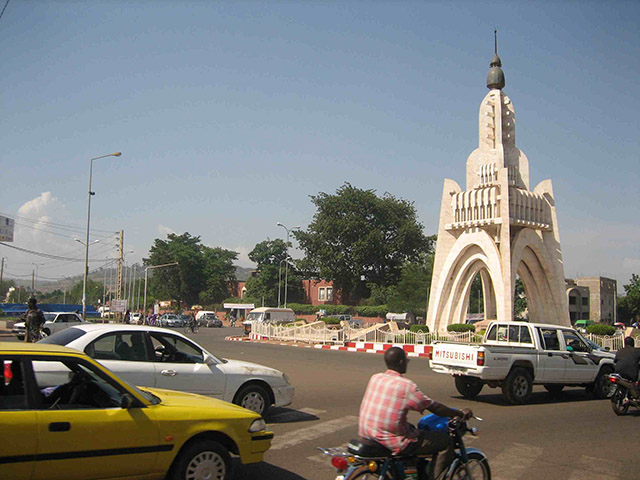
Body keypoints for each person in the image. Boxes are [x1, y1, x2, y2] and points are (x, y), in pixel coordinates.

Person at [359, 347, 472, 480]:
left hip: (367, 433)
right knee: (445, 442)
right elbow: (435, 408)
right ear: (401, 362)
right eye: (406, 360)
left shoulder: (376, 378)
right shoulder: (407, 386)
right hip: (392, 440)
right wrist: (459, 413)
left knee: (412, 429)